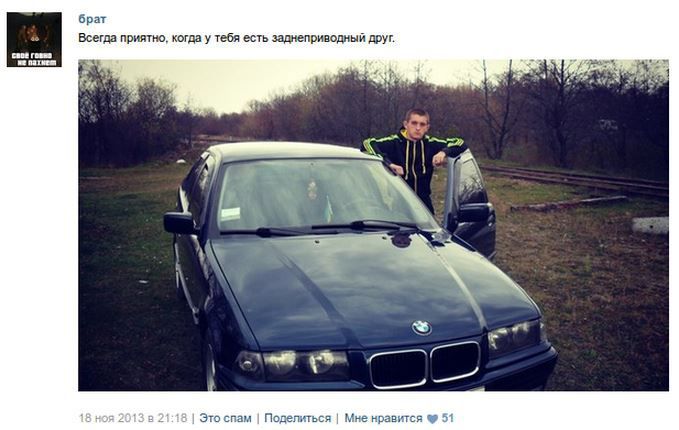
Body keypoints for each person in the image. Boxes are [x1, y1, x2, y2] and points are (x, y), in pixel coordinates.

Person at [361, 108, 468, 214]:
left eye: (422, 124)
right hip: (399, 206)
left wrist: (443, 152)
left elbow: (460, 143)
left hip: (424, 206)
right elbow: (367, 143)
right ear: (406, 124)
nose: (418, 128)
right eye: (414, 123)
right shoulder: (393, 142)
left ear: (427, 127)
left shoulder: (431, 143)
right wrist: (389, 163)